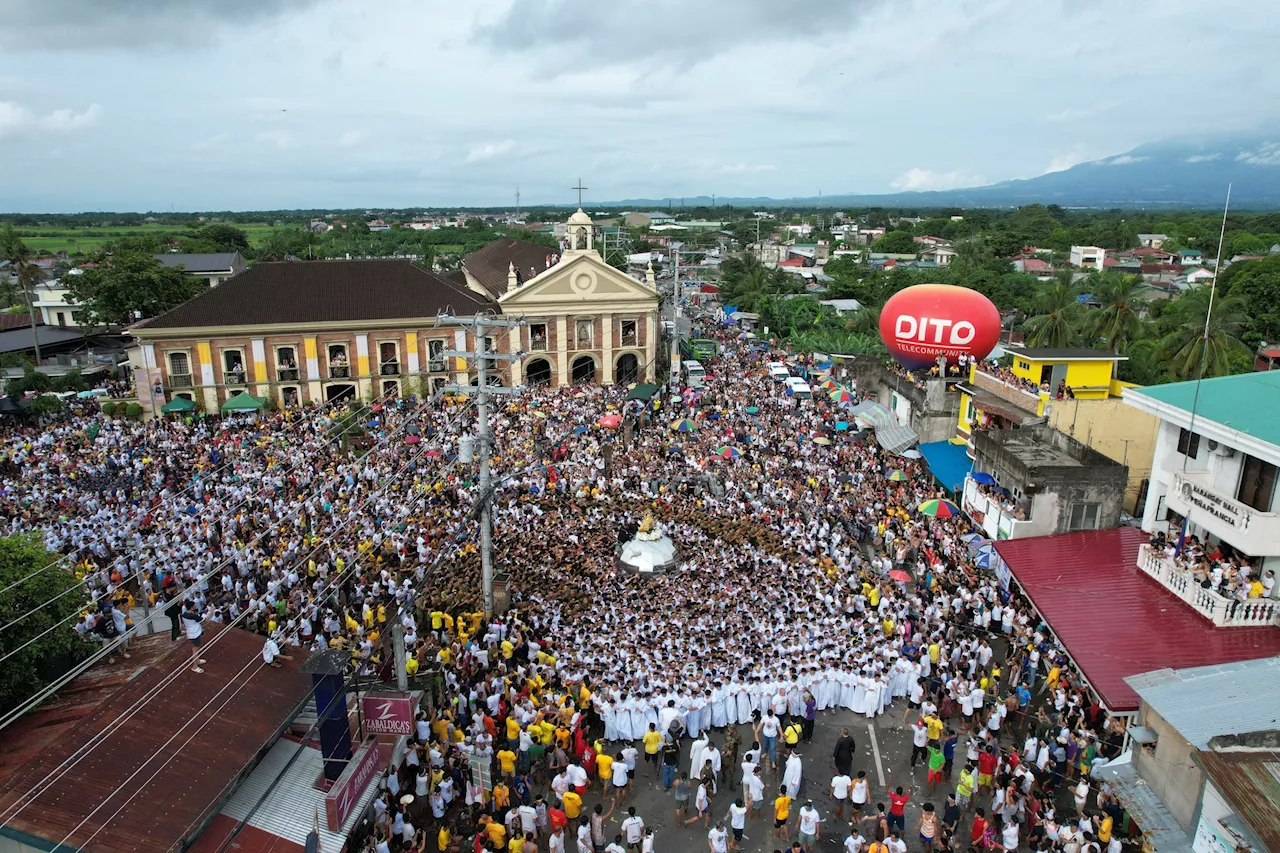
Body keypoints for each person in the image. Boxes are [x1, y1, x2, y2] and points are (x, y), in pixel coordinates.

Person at [182, 602, 206, 674]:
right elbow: (204, 619)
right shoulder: (193, 616)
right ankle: (194, 666)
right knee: (195, 650)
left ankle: (197, 660)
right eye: (194, 606)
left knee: (196, 648)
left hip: (191, 633)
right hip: (195, 634)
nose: (195, 606)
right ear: (191, 607)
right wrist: (212, 611)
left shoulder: (185, 614)